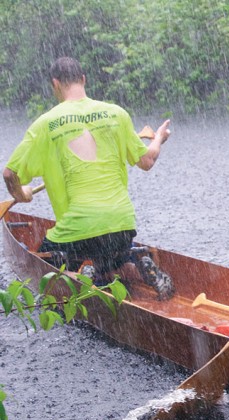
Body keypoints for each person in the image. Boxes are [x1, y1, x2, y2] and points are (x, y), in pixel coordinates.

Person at [3, 56, 174, 300]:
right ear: (83, 79)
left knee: (48, 266)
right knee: (114, 261)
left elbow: (10, 173)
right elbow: (147, 161)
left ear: (55, 84)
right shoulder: (116, 113)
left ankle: (82, 270)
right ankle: (133, 266)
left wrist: (22, 195)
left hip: (78, 231)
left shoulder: (45, 124)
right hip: (121, 226)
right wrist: (158, 138)